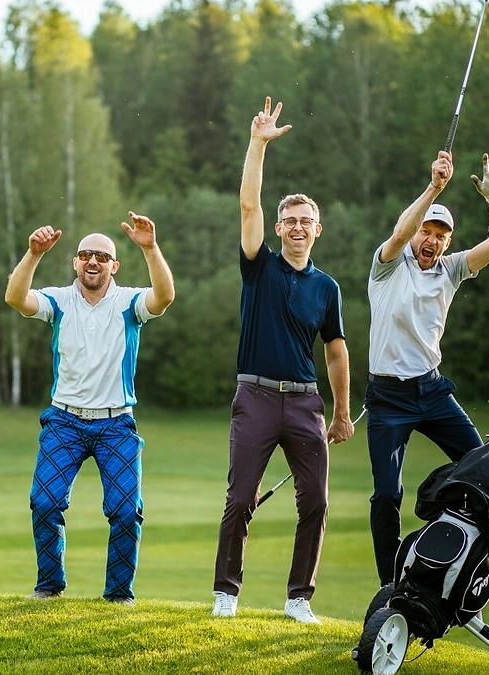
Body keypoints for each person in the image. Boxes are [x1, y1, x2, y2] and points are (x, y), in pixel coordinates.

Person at [365, 149, 489, 598]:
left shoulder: (451, 271)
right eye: (426, 232)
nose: (431, 240)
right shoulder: (388, 265)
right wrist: (434, 187)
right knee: (386, 495)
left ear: (448, 242)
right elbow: (398, 232)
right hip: (388, 401)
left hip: (432, 392)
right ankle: (390, 583)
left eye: (440, 235)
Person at [211, 97, 354, 624]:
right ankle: (226, 592)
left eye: (306, 220)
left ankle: (299, 599)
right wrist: (257, 144)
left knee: (314, 502)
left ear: (318, 229)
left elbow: (335, 350)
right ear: (278, 229)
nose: (297, 226)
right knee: (241, 499)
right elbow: (248, 204)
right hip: (255, 397)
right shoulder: (259, 267)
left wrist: (340, 412)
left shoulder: (328, 287)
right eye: (289, 220)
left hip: (305, 405)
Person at [4, 213, 175, 606]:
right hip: (64, 420)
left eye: (101, 256)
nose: (92, 261)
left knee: (125, 510)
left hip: (117, 423)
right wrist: (32, 255)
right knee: (45, 502)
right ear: (75, 263)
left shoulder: (129, 302)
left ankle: (118, 596)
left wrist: (150, 248)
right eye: (85, 255)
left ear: (114, 265)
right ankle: (49, 586)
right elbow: (16, 298)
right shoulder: (59, 300)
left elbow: (164, 296)